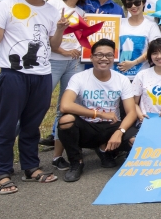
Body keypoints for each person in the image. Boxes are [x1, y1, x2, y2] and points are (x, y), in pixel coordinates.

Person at [0, 0, 68, 193]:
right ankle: (1, 172)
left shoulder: (52, 12)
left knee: (32, 126)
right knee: (5, 125)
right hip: (13, 74)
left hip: (42, 75)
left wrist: (61, 29)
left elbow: (53, 46)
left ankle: (31, 168)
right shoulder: (7, 5)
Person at [58, 39, 138, 183]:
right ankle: (76, 163)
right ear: (91, 57)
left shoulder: (122, 79)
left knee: (135, 140)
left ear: (114, 58)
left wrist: (120, 132)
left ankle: (105, 151)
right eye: (99, 55)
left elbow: (131, 112)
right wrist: (98, 113)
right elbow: (65, 105)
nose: (104, 59)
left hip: (111, 127)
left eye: (108, 55)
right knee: (66, 120)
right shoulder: (79, 77)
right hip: (87, 127)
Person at [43, 0, 91, 166]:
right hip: (53, 61)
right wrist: (61, 50)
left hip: (75, 63)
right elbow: (43, 32)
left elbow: (83, 39)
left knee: (64, 107)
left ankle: (57, 156)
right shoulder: (54, 4)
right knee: (37, 105)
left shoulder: (82, 13)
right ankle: (3, 152)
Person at [116, 0, 161, 77]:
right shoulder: (119, 23)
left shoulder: (151, 26)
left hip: (142, 75)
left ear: (143, 3)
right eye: (129, 4)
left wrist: (133, 63)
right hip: (118, 75)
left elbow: (154, 49)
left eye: (137, 2)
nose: (133, 6)